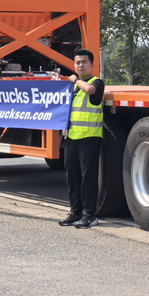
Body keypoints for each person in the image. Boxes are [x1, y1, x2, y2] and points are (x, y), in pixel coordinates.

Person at [59, 48, 105, 229]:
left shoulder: (96, 82)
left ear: (92, 65)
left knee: (88, 178)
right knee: (73, 178)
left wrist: (76, 80)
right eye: (77, 62)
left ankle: (89, 215)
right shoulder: (72, 88)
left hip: (90, 138)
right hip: (72, 138)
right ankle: (75, 212)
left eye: (84, 62)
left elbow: (91, 91)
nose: (80, 65)